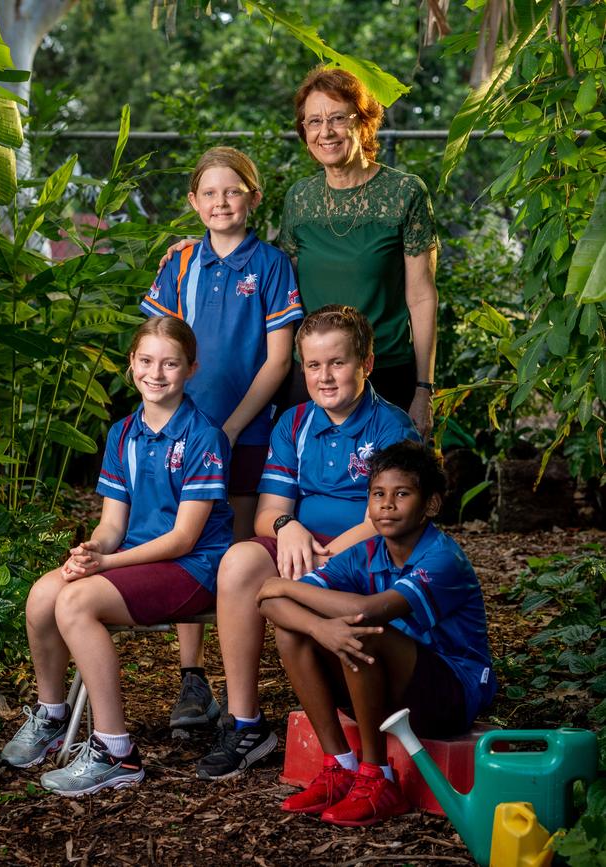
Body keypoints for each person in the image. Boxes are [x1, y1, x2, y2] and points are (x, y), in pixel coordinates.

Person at [0, 318, 233, 796]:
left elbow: (184, 538)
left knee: (75, 603)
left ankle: (116, 751)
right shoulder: (123, 433)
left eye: (170, 363)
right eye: (146, 361)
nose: (156, 372)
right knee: (45, 593)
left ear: (191, 368)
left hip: (194, 567)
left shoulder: (204, 436)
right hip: (136, 559)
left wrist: (106, 566)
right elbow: (112, 526)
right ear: (131, 366)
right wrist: (92, 551)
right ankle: (51, 716)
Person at [194, 305, 420, 782]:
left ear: (366, 364)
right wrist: (286, 528)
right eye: (313, 366)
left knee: (292, 593)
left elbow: (387, 520)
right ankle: (246, 723)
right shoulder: (294, 424)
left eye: (337, 363)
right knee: (238, 562)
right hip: (302, 547)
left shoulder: (391, 427)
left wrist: (325, 558)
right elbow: (267, 514)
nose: (325, 377)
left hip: (365, 553)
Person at [160, 67, 438, 440]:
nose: (326, 131)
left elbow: (421, 296)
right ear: (304, 131)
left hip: (382, 369)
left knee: (385, 488)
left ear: (364, 123)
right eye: (314, 121)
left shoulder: (405, 192)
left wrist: (424, 387)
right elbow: (274, 273)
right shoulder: (300, 198)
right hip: (308, 373)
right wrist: (204, 246)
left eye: (338, 118)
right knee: (297, 484)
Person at [142, 146, 303, 729]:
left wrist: (231, 429)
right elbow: (160, 344)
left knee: (236, 555)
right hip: (184, 431)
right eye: (208, 193)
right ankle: (192, 678)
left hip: (247, 431)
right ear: (193, 202)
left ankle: (245, 692)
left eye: (232, 191)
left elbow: (280, 360)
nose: (221, 202)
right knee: (184, 542)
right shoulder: (181, 263)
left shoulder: (271, 265)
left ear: (253, 198)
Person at [257, 441, 497, 827]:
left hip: (449, 696)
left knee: (361, 631)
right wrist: (317, 626)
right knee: (293, 630)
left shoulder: (442, 558)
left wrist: (281, 585)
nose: (387, 504)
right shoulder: (365, 553)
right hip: (383, 684)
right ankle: (339, 767)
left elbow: (366, 612)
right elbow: (267, 606)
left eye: (402, 494)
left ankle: (377, 776)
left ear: (430, 505)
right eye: (378, 494)